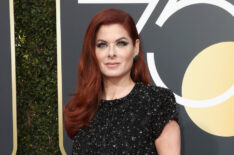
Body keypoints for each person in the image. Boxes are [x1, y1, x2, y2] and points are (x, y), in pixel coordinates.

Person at [63, 8, 181, 155]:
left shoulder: (157, 102)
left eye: (121, 43)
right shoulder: (83, 109)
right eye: (102, 45)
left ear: (135, 48)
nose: (111, 53)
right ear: (93, 52)